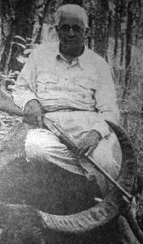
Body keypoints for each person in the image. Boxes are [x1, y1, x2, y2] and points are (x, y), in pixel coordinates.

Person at [12, 4, 121, 196]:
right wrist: (31, 102)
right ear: (56, 30)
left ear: (86, 32)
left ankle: (110, 206)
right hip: (49, 126)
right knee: (36, 149)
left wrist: (95, 134)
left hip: (88, 129)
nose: (71, 33)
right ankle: (87, 174)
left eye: (77, 28)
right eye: (65, 27)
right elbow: (21, 87)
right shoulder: (40, 55)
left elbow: (110, 111)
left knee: (105, 163)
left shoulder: (98, 65)